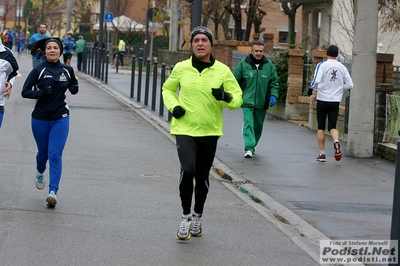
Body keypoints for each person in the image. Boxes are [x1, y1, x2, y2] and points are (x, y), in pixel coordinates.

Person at [162, 26, 243, 241]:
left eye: (204, 40)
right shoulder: (181, 68)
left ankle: (198, 216)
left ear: (210, 44)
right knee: (187, 170)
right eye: (196, 40)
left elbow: (238, 98)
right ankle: (185, 217)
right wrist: (173, 106)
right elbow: (167, 89)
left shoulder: (223, 71)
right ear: (191, 44)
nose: (200, 44)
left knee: (202, 176)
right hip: (184, 129)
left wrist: (225, 96)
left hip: (210, 131)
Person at [21, 37, 79, 207]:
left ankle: (53, 192)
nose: (52, 50)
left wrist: (74, 88)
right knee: (43, 155)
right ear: (45, 51)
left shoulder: (67, 70)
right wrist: (40, 93)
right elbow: (25, 92)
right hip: (40, 119)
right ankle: (40, 171)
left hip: (60, 118)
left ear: (60, 51)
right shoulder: (38, 71)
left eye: (55, 48)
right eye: (49, 48)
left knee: (55, 155)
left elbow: (73, 85)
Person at [307, 44, 354, 162]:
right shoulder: (342, 67)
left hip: (323, 99)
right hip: (335, 101)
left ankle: (322, 154)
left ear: (327, 54)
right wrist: (339, 88)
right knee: (332, 126)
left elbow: (316, 80)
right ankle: (336, 141)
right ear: (337, 55)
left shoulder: (322, 65)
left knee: (321, 127)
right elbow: (350, 85)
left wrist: (310, 88)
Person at [233, 41, 279, 158]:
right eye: (256, 51)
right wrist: (236, 95)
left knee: (258, 126)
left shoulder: (269, 66)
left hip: (262, 101)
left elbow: (274, 82)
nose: (258, 53)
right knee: (248, 122)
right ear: (251, 51)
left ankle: (252, 147)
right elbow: (234, 81)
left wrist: (273, 95)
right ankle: (248, 147)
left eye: (261, 51)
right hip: (247, 101)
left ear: (264, 52)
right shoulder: (244, 64)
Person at [0, 22, 19, 128]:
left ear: (1, 34)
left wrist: (10, 83)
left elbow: (14, 72)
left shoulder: (7, 54)